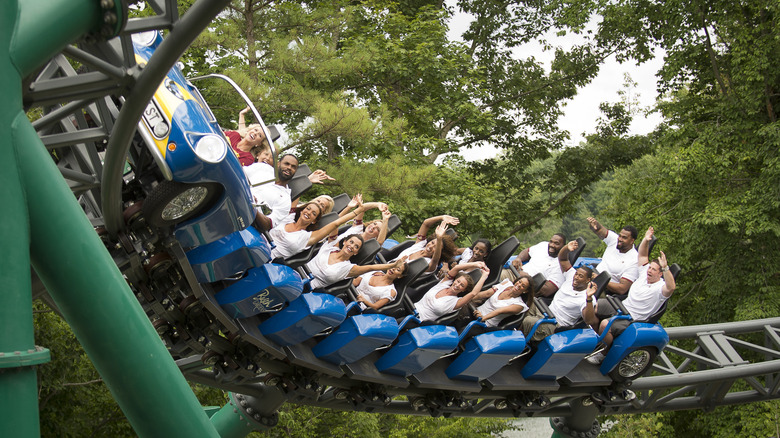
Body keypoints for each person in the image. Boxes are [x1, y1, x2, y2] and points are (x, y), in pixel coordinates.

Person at [584, 226, 677, 364]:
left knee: (605, 324)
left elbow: (671, 287)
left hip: (632, 318)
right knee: (593, 307)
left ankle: (604, 352)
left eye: (654, 270)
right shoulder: (644, 273)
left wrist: (665, 267)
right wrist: (646, 240)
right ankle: (593, 340)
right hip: (621, 305)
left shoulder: (660, 288)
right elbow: (643, 256)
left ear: (660, 273)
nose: (649, 271)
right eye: (649, 268)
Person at [268, 199, 384, 259]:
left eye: (313, 213)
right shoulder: (288, 218)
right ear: (302, 210)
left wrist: (357, 210)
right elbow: (295, 194)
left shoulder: (308, 236)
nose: (308, 212)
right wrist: (309, 180)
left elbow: (335, 223)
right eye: (308, 209)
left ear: (314, 220)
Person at [306, 234, 407, 290]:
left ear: (356, 252)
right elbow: (335, 223)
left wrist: (392, 265)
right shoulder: (331, 247)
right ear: (344, 241)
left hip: (308, 287)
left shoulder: (349, 268)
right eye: (351, 242)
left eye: (356, 247)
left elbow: (370, 268)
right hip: (298, 270)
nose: (352, 246)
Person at [414, 262, 489, 322]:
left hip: (418, 320)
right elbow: (456, 268)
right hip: (412, 308)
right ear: (455, 280)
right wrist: (475, 264)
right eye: (458, 281)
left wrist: (484, 276)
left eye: (462, 285)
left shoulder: (455, 302)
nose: (457, 285)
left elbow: (473, 293)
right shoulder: (444, 284)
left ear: (463, 290)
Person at [502, 233, 567, 298]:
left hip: (526, 288)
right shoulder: (543, 245)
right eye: (551, 241)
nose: (551, 245)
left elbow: (547, 290)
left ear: (563, 246)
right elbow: (527, 251)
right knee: (499, 275)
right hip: (515, 273)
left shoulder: (561, 266)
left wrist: (527, 279)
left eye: (556, 243)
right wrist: (519, 258)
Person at [587, 217, 639, 296]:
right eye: (620, 236)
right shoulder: (614, 240)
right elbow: (599, 230)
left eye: (624, 238)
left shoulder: (634, 260)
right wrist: (594, 224)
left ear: (632, 241)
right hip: (593, 277)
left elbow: (622, 289)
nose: (620, 239)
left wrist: (600, 279)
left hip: (603, 289)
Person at [393, 215, 459, 272]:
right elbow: (426, 224)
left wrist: (439, 238)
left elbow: (435, 259)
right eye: (432, 242)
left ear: (439, 252)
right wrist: (442, 217)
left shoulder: (429, 263)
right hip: (387, 266)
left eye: (435, 247)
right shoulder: (420, 245)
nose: (430, 246)